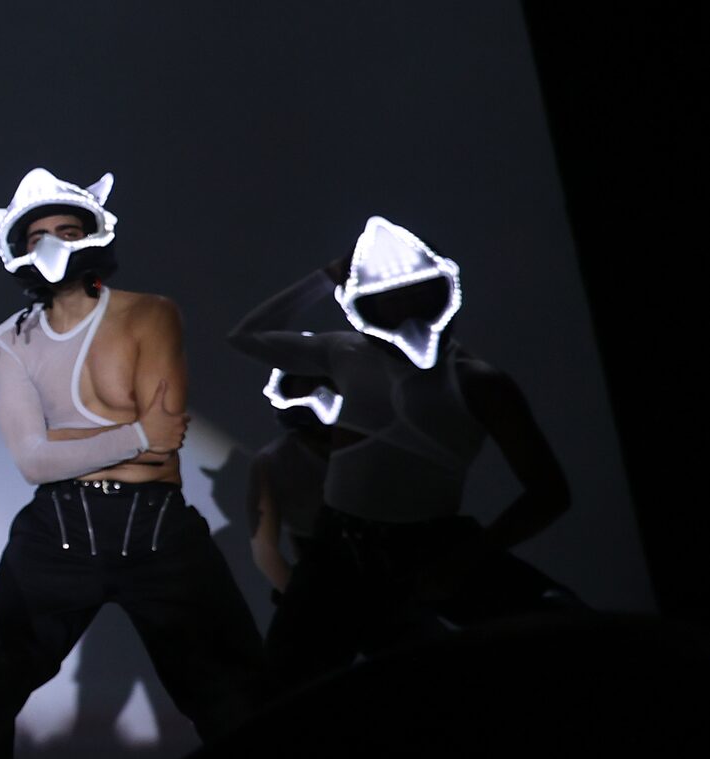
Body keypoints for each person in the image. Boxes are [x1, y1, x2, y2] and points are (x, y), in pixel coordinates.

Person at [0, 168, 262, 759]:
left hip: (155, 532)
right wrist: (129, 431)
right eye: (35, 235)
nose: (50, 246)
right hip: (58, 538)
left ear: (93, 237)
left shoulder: (148, 314)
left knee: (235, 699)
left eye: (64, 231)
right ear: (14, 249)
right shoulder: (5, 343)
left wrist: (113, 437)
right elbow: (35, 459)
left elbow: (163, 447)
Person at [228, 218, 572, 695]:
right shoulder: (345, 352)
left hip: (429, 545)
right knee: (284, 692)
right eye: (387, 298)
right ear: (364, 306)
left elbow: (550, 493)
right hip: (338, 547)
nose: (404, 308)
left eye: (416, 293)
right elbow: (245, 338)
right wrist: (325, 277)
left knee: (561, 631)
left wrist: (469, 559)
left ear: (441, 291)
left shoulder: (477, 382)